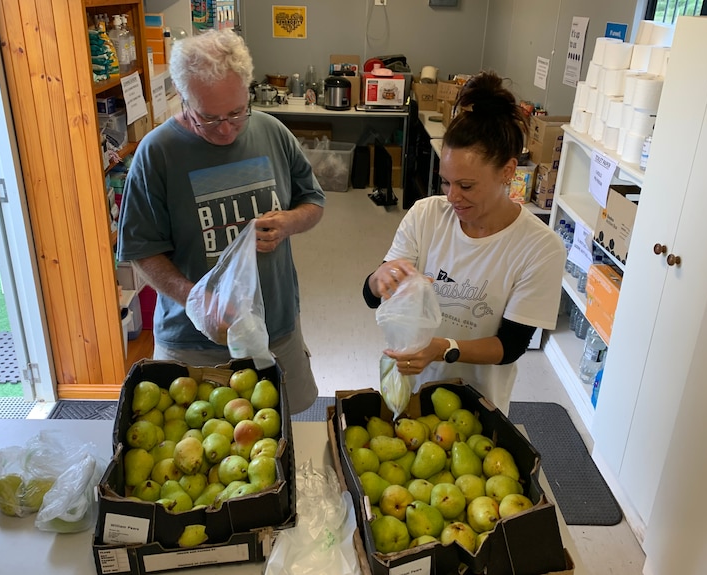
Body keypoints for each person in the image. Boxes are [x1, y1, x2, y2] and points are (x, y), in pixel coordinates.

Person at [117, 29, 325, 415]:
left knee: (280, 435)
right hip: (192, 341)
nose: (227, 129)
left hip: (276, 328)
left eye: (235, 113)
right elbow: (142, 251)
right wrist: (196, 298)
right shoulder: (157, 153)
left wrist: (290, 223)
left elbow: (313, 200)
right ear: (183, 98)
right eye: (208, 118)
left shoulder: (271, 133)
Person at [362, 71, 566, 415]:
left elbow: (510, 346)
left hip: (476, 404)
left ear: (507, 171)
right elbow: (371, 296)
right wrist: (378, 279)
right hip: (410, 392)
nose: (453, 197)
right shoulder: (426, 215)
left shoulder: (539, 248)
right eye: (445, 182)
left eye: (467, 186)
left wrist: (441, 348)